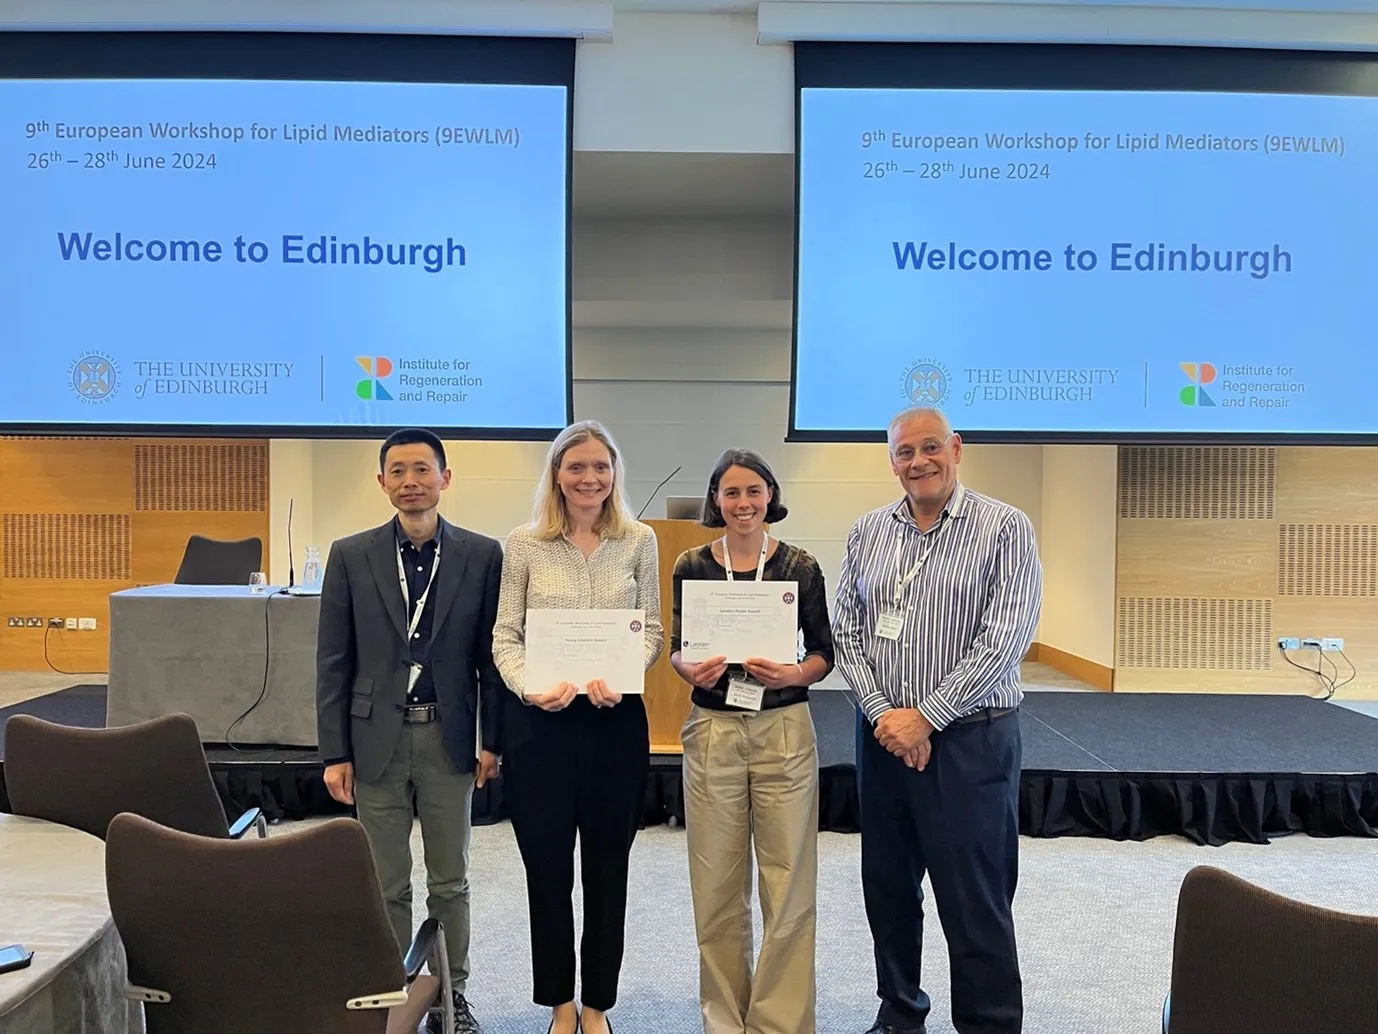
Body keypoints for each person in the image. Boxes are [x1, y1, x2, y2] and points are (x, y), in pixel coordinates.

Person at [832, 406, 1042, 1034]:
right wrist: (883, 716)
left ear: (955, 448)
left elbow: (1006, 635)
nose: (917, 462)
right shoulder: (868, 531)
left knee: (974, 898)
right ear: (890, 459)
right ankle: (900, 1012)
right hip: (883, 741)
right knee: (889, 892)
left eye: (930, 448)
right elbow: (846, 629)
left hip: (971, 741)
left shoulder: (1005, 527)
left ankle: (989, 1024)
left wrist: (926, 717)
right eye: (904, 452)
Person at [316, 427, 503, 1034]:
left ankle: (453, 995)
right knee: (386, 880)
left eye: (422, 470)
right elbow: (333, 661)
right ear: (381, 482)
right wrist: (333, 751)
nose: (410, 482)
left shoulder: (480, 555)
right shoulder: (351, 554)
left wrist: (490, 740)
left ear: (445, 479)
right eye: (397, 472)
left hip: (449, 738)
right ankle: (394, 991)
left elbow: (491, 661)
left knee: (450, 879)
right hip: (375, 743)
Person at [492, 419, 663, 1034]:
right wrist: (528, 686)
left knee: (607, 872)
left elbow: (653, 631)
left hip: (615, 727)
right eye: (576, 467)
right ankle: (560, 1004)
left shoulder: (639, 539)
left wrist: (627, 669)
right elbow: (505, 635)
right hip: (540, 727)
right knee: (547, 870)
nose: (589, 478)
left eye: (600, 466)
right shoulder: (524, 543)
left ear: (614, 473)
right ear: (557, 475)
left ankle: (597, 1007)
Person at [669, 449, 835, 1034]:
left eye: (754, 492)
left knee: (789, 880)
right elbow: (678, 646)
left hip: (783, 729)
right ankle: (724, 1018)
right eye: (731, 492)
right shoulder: (691, 564)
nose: (743, 504)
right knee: (715, 882)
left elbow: (823, 654)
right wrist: (688, 669)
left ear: (771, 497)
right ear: (715, 499)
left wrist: (795, 673)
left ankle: (779, 1022)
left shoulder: (800, 565)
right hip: (713, 728)